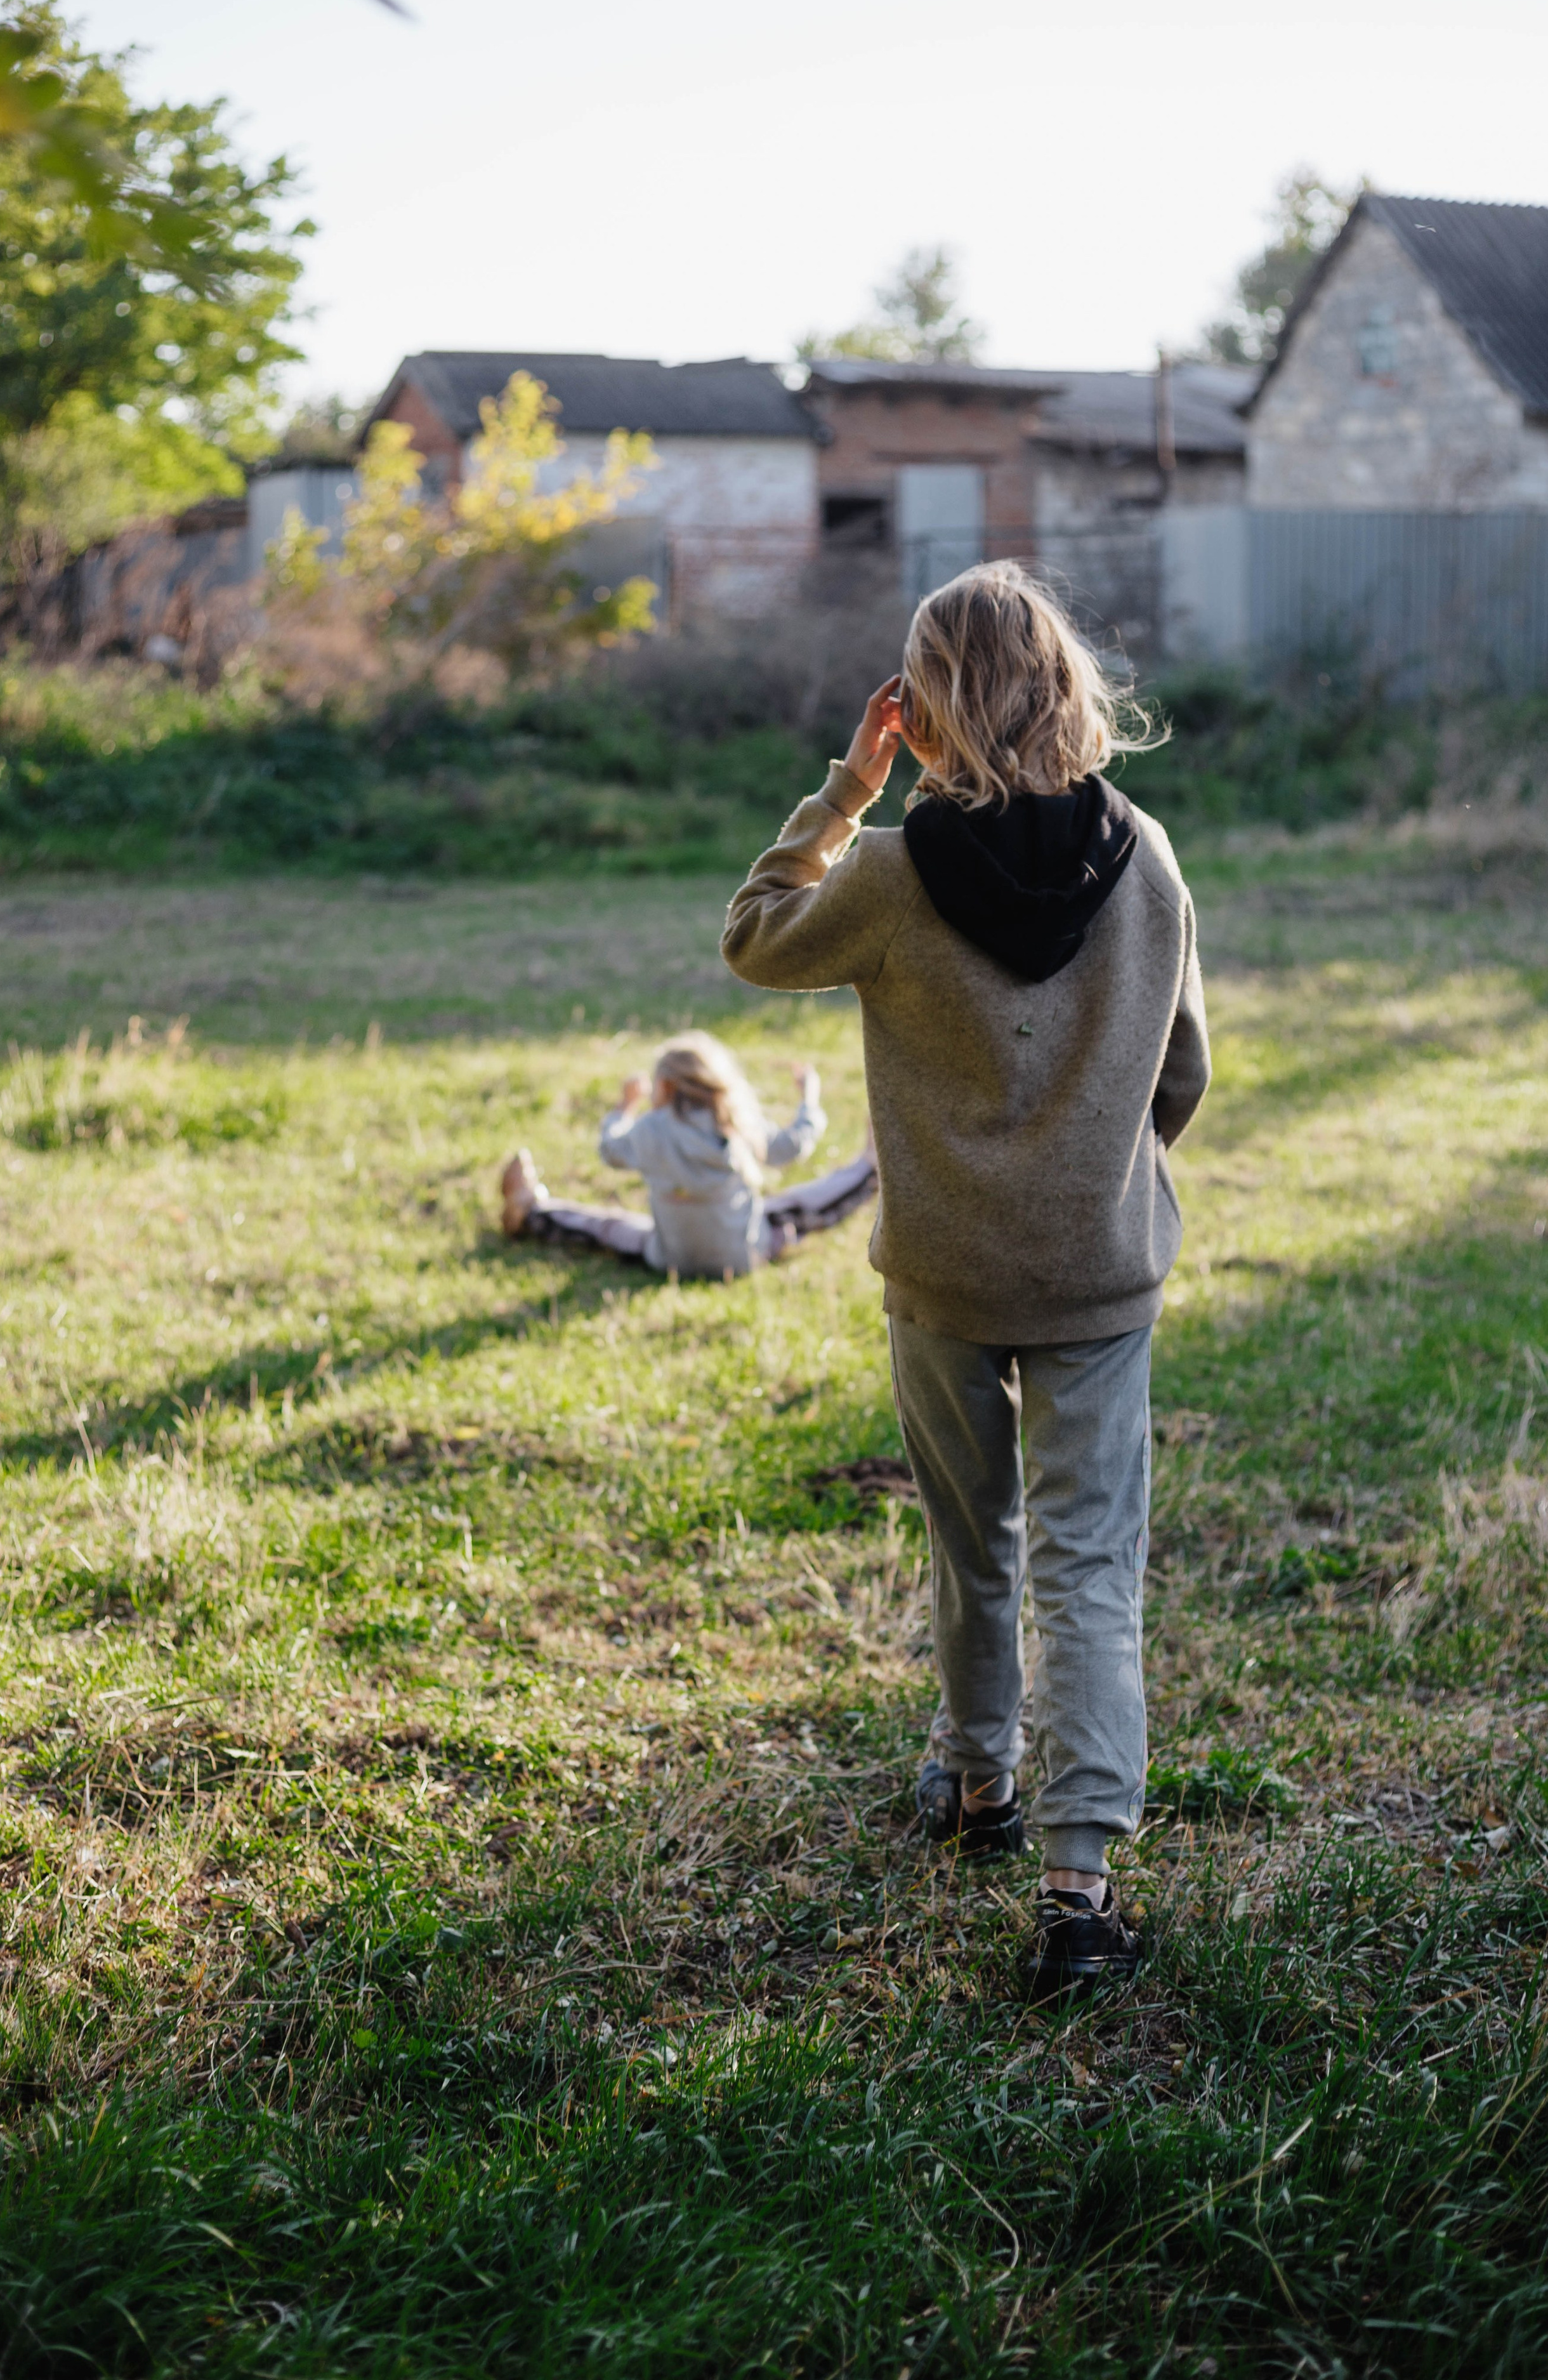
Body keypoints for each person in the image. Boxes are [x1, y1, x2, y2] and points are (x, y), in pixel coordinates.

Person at [720, 562, 1210, 1997]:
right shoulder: (1150, 857)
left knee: (971, 1541)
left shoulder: (884, 874)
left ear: (919, 710)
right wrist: (1095, 1170)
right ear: (1065, 688)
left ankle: (978, 1783)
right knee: (1086, 1570)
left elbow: (751, 933)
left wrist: (842, 793)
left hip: (937, 1266)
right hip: (1096, 1267)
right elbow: (1179, 1072)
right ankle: (1077, 1890)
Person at [499, 1029, 877, 1280]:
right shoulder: (736, 1123)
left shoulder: (649, 1130)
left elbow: (610, 1151)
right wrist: (808, 1099)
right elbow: (791, 1147)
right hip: (743, 1256)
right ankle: (869, 1170)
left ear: (663, 1085)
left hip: (668, 1257)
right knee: (794, 1206)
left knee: (608, 1227)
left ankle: (531, 1211)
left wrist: (623, 1107)